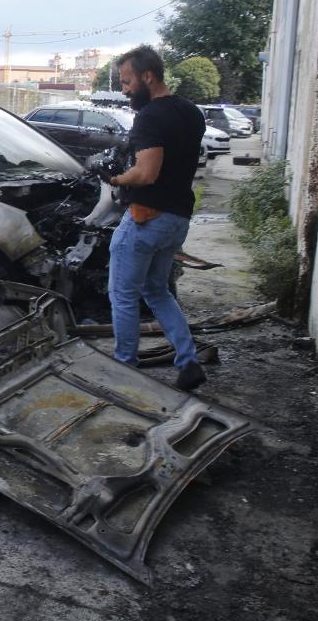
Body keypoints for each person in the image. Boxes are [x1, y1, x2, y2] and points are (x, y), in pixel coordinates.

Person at [103, 44, 207, 390]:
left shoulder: (149, 116)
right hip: (178, 219)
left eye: (128, 81)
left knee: (122, 294)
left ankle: (125, 368)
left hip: (147, 217)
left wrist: (116, 178)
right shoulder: (192, 112)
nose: (124, 89)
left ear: (148, 77)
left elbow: (146, 173)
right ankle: (188, 361)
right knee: (157, 290)